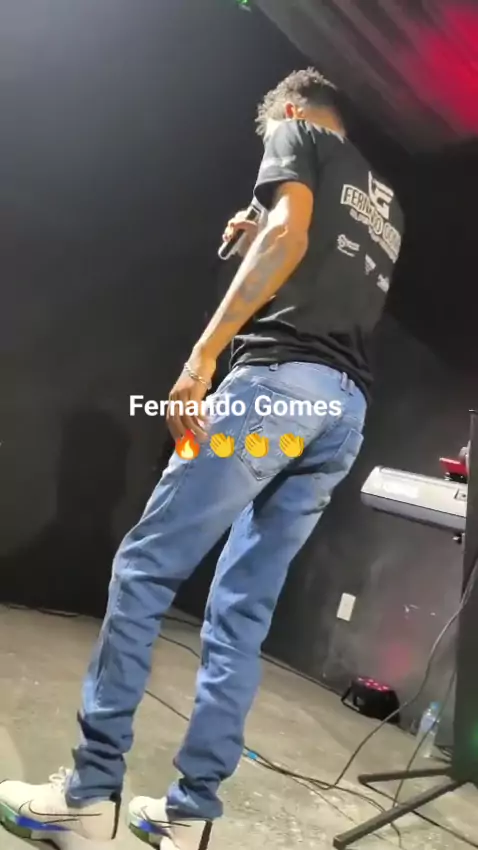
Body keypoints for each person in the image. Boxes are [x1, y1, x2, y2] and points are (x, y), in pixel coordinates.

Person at [0, 69, 404, 849]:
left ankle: (87, 796)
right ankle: (189, 815)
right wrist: (263, 235)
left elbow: (290, 237)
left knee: (144, 569)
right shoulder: (386, 203)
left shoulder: (297, 132)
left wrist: (202, 356)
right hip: (344, 409)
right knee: (243, 611)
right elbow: (315, 267)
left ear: (291, 111)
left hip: (276, 388)